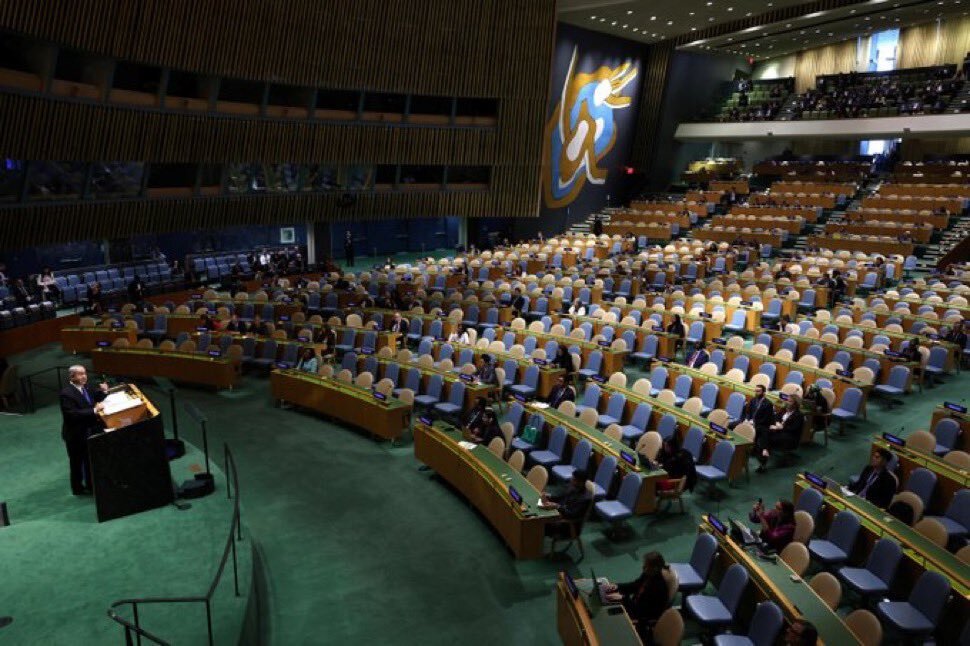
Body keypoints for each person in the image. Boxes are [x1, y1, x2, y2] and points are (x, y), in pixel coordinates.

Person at [59, 365, 109, 495]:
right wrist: (94, 410)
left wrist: (103, 391)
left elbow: (95, 397)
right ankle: (77, 488)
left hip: (88, 431)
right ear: (72, 377)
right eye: (80, 374)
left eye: (85, 373)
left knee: (89, 459)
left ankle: (91, 486)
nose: (84, 376)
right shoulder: (66, 393)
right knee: (76, 463)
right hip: (75, 435)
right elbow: (72, 414)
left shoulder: (86, 386)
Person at [602, 552, 671, 640]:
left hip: (640, 616)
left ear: (655, 568)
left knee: (608, 621)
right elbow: (634, 585)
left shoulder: (658, 587)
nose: (643, 568)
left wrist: (623, 598)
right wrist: (617, 586)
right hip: (633, 606)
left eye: (646, 566)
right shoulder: (648, 575)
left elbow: (642, 609)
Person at [755, 396, 804, 473]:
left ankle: (763, 460)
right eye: (788, 400)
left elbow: (794, 429)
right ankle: (765, 451)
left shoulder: (799, 415)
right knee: (762, 430)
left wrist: (781, 427)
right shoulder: (784, 410)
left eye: (790, 401)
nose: (787, 402)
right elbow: (775, 417)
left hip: (790, 436)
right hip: (779, 432)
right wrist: (777, 423)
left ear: (795, 404)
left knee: (766, 437)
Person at [541, 470, 593, 538]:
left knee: (540, 522)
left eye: (574, 479)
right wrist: (549, 496)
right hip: (559, 515)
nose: (571, 480)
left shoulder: (585, 498)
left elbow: (572, 515)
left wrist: (557, 506)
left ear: (581, 482)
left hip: (568, 525)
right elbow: (561, 497)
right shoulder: (573, 487)